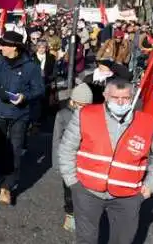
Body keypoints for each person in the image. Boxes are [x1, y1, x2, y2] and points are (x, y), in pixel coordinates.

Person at [58, 78, 153, 244]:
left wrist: (150, 186)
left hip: (127, 196)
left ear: (133, 98)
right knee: (86, 239)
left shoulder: (147, 123)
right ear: (105, 96)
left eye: (125, 98)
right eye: (114, 97)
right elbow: (67, 148)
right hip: (86, 190)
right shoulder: (85, 115)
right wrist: (72, 181)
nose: (120, 102)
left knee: (123, 240)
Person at [0, 30, 44, 205]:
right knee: (1, 150)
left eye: (4, 44)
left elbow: (39, 89)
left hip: (20, 113)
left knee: (15, 149)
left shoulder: (31, 66)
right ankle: (4, 175)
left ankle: (8, 185)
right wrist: (1, 92)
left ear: (15, 48)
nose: (0, 47)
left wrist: (24, 97)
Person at [52, 83, 93, 233]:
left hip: (86, 161)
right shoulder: (63, 115)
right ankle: (70, 213)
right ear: (73, 101)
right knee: (69, 190)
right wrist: (57, 163)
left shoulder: (93, 114)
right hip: (69, 161)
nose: (83, 108)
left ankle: (84, 214)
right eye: (80, 105)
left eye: (87, 105)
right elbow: (57, 140)